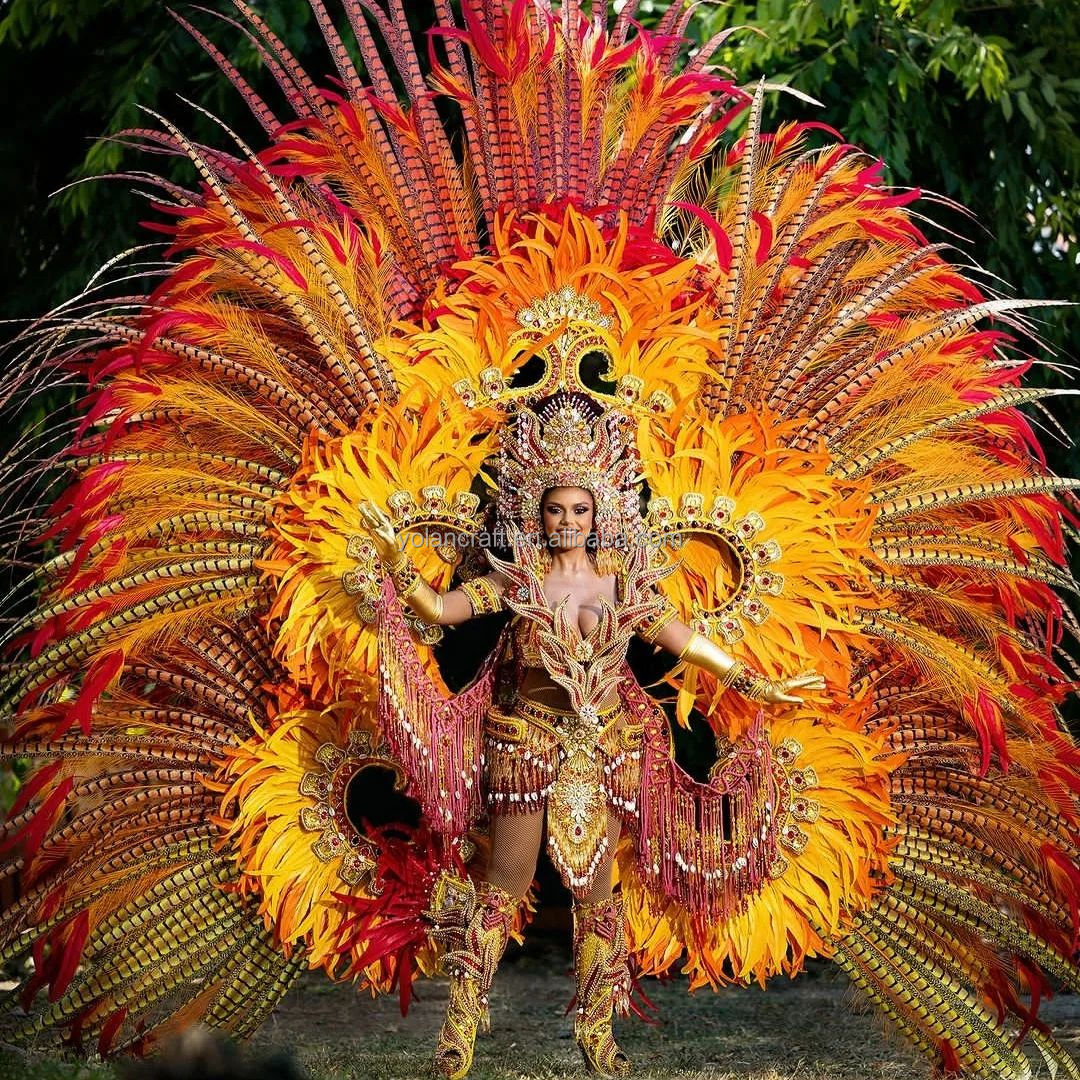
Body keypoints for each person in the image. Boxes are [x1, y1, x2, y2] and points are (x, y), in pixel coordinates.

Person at [357, 391, 823, 1079]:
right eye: (555, 509)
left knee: (597, 893)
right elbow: (441, 609)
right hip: (525, 742)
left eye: (579, 509)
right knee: (503, 884)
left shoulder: (620, 581)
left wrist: (752, 681)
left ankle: (597, 1036)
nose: (568, 521)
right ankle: (458, 1032)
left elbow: (682, 639)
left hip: (601, 748)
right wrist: (398, 561)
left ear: (598, 512)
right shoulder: (515, 581)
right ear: (536, 514)